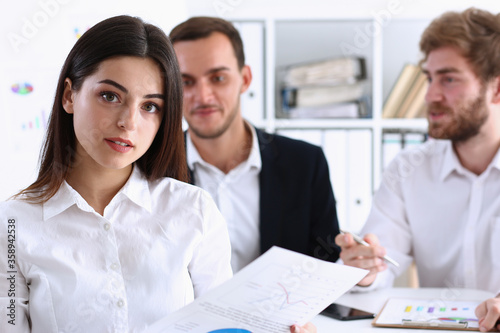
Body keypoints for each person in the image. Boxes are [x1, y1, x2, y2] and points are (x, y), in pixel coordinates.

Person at [0, 15, 234, 332]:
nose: (128, 122)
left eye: (150, 106)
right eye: (110, 96)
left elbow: (224, 325)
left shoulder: (195, 211)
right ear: (69, 95)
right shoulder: (13, 224)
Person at [334, 7, 500, 332]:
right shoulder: (407, 170)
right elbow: (380, 258)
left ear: (496, 88)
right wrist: (365, 270)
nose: (430, 95)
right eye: (429, 77)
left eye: (449, 79)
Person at [169, 16, 341, 274]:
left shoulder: (305, 163)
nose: (203, 97)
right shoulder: (152, 168)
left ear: (245, 79)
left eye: (217, 78)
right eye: (186, 82)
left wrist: (359, 269)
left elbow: (328, 263)